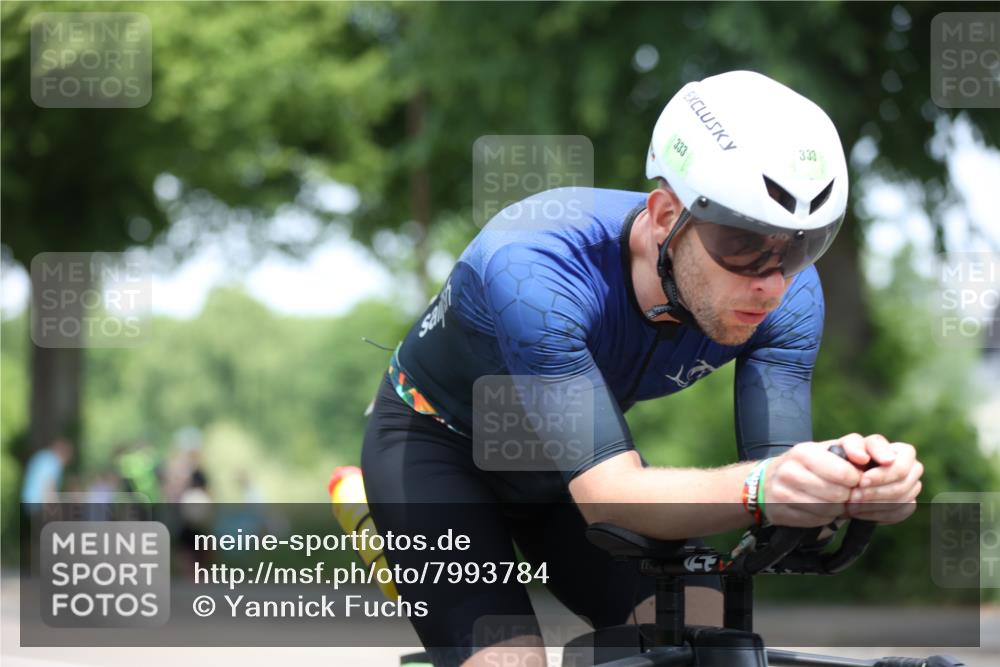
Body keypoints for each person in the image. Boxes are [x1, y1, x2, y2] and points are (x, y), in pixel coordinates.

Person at [360, 71, 925, 667]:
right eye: (741, 243)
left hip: (563, 468)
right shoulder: (535, 268)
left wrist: (850, 488)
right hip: (439, 452)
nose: (769, 280)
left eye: (801, 245)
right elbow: (612, 497)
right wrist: (765, 486)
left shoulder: (791, 294)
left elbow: (777, 484)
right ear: (664, 217)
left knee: (703, 647)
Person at [20, 437, 74, 506]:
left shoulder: (43, 456)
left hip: (28, 500)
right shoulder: (54, 462)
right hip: (39, 502)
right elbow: (49, 485)